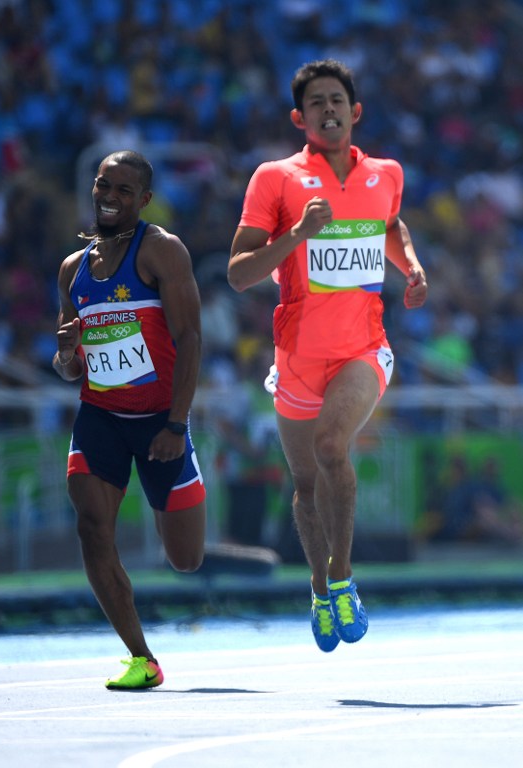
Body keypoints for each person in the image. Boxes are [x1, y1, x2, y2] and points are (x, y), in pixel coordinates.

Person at [228, 59, 428, 652]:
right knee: (306, 482)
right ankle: (319, 586)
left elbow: (392, 226)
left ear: (355, 110)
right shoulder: (275, 178)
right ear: (300, 117)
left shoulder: (386, 172)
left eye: (337, 99)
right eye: (316, 103)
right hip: (295, 357)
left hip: (363, 350)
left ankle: (342, 578)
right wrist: (294, 237)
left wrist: (412, 266)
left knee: (331, 445)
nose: (329, 109)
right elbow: (239, 273)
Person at [53, 150, 205, 689]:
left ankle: (187, 474)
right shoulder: (74, 270)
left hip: (160, 420)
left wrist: (176, 424)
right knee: (92, 528)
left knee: (185, 559)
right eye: (102, 186)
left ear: (143, 200)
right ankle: (142, 657)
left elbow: (189, 338)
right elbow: (70, 367)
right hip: (101, 417)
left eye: (123, 190)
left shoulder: (161, 251)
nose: (109, 197)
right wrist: (70, 353)